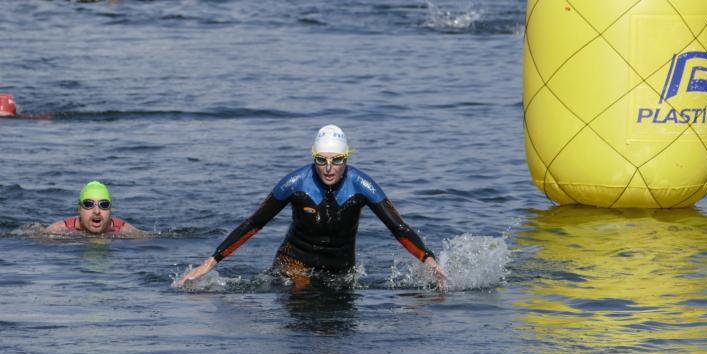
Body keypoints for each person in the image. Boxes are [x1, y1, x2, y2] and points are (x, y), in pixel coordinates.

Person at [176, 125, 448, 291]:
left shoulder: (362, 185)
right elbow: (254, 223)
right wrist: (208, 264)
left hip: (341, 271)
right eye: (321, 160)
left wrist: (430, 261)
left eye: (336, 160)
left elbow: (399, 228)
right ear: (313, 158)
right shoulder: (295, 183)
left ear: (346, 158)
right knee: (302, 295)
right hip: (293, 264)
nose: (329, 168)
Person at [46, 180, 145, 237]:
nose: (97, 211)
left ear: (110, 210)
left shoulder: (127, 232)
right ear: (79, 209)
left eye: (104, 204)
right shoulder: (57, 231)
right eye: (88, 204)